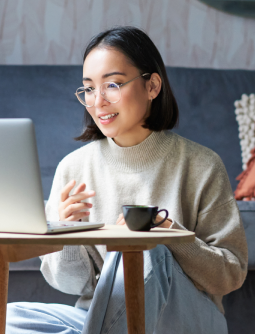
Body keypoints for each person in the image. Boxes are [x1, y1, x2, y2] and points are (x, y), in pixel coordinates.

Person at [6, 26, 248, 334]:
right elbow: (69, 285)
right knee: (12, 317)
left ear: (152, 86)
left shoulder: (201, 165)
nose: (98, 101)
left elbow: (231, 274)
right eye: (89, 89)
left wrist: (169, 235)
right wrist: (66, 237)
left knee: (146, 248)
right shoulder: (73, 168)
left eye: (114, 84)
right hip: (99, 318)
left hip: (183, 319)